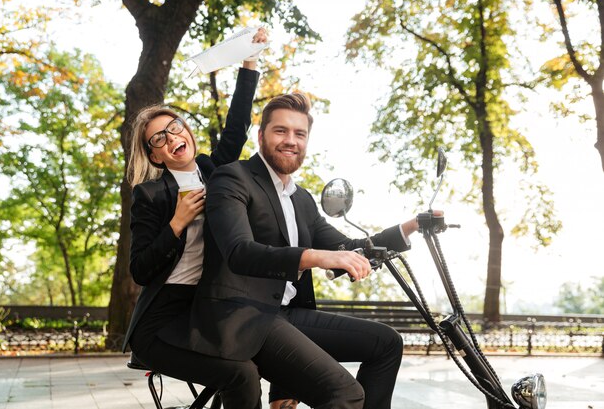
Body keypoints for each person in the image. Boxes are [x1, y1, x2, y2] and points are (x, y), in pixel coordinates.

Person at [187, 92, 431, 409]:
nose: (291, 140)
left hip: (287, 315)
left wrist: (413, 225)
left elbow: (349, 248)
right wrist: (315, 257)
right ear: (261, 136)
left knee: (386, 343)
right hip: (242, 317)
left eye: (299, 134)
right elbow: (239, 252)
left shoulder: (301, 199)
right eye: (281, 131)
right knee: (343, 393)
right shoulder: (233, 178)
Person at [122, 28, 268, 409]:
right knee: (240, 375)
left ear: (186, 131)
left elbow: (236, 128)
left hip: (207, 310)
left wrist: (249, 60)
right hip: (161, 321)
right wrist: (177, 222)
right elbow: (139, 270)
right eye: (159, 139)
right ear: (156, 156)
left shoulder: (214, 171)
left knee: (261, 356)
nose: (171, 137)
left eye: (175, 128)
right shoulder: (150, 195)